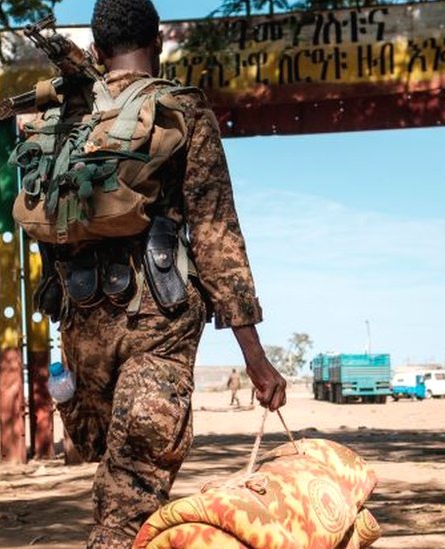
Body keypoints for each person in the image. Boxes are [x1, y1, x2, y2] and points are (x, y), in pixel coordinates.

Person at [43, 2, 288, 547]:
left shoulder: (66, 116)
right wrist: (255, 355)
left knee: (113, 473)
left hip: (81, 319)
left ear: (99, 50)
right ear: (157, 41)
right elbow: (215, 234)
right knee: (129, 499)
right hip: (160, 322)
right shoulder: (182, 112)